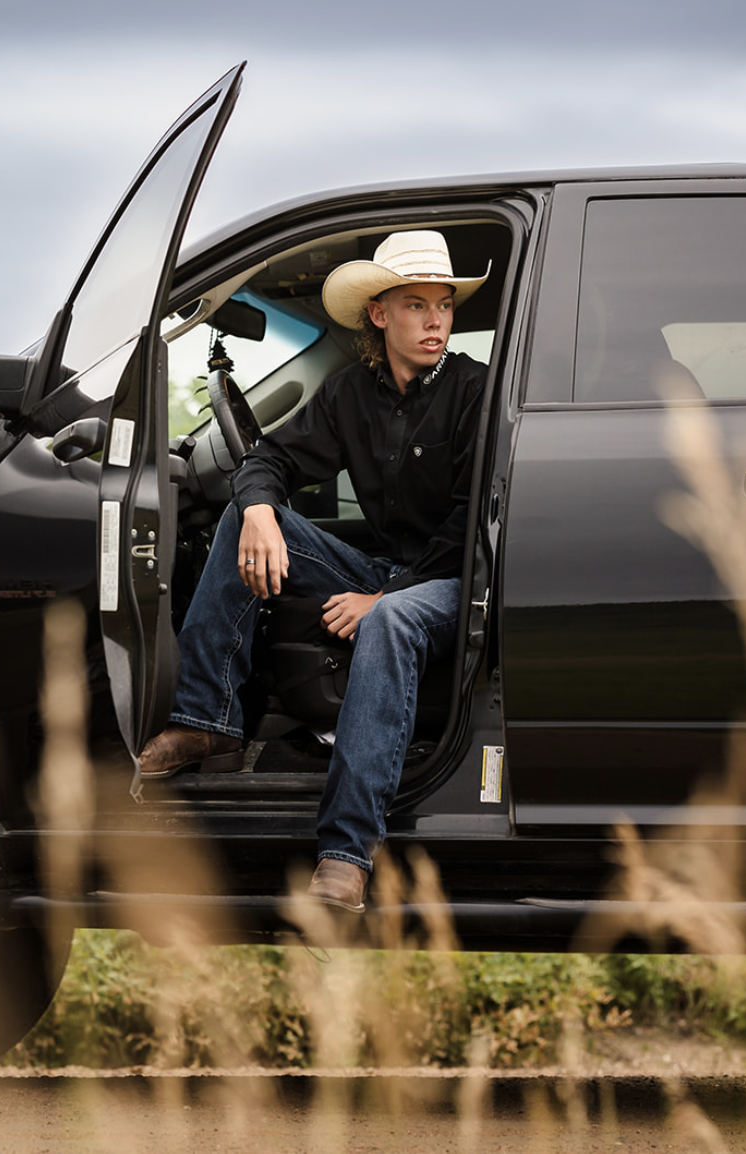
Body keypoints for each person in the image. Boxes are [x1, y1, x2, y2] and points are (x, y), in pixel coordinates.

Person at [136, 230, 489, 913]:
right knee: (246, 516)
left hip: (451, 581)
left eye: (443, 305)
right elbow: (269, 460)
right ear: (380, 314)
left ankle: (346, 854)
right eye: (417, 305)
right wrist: (263, 510)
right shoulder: (349, 393)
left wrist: (382, 595)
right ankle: (211, 718)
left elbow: (470, 523)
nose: (436, 320)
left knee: (389, 619)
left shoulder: (475, 390)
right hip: (379, 567)